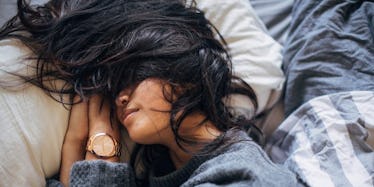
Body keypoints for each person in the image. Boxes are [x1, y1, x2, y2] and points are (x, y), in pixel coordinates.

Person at [1, 0, 298, 186]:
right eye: (116, 87)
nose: (119, 98)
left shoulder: (243, 175)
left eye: (132, 77)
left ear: (185, 65)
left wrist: (98, 159)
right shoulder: (167, 170)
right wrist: (77, 146)